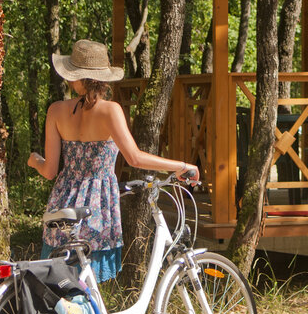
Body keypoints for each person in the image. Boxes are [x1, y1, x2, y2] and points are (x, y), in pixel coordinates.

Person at [28, 38, 198, 283]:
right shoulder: (110, 110)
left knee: (60, 283)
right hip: (98, 203)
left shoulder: (56, 110)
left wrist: (34, 160)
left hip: (64, 201)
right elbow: (135, 158)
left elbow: (49, 170)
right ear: (103, 79)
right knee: (89, 285)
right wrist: (182, 166)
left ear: (77, 77)